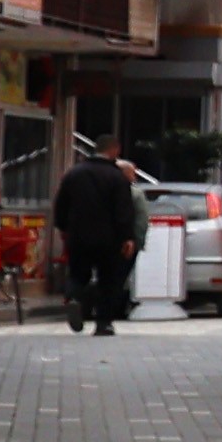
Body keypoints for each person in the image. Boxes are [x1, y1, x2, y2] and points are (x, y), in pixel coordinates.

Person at [49, 140, 147, 339]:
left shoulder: (73, 174)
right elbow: (123, 210)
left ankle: (74, 297)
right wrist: (127, 237)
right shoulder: (116, 177)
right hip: (109, 239)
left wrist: (63, 228)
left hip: (78, 235)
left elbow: (60, 204)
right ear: (115, 150)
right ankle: (103, 324)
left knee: (78, 273)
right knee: (108, 280)